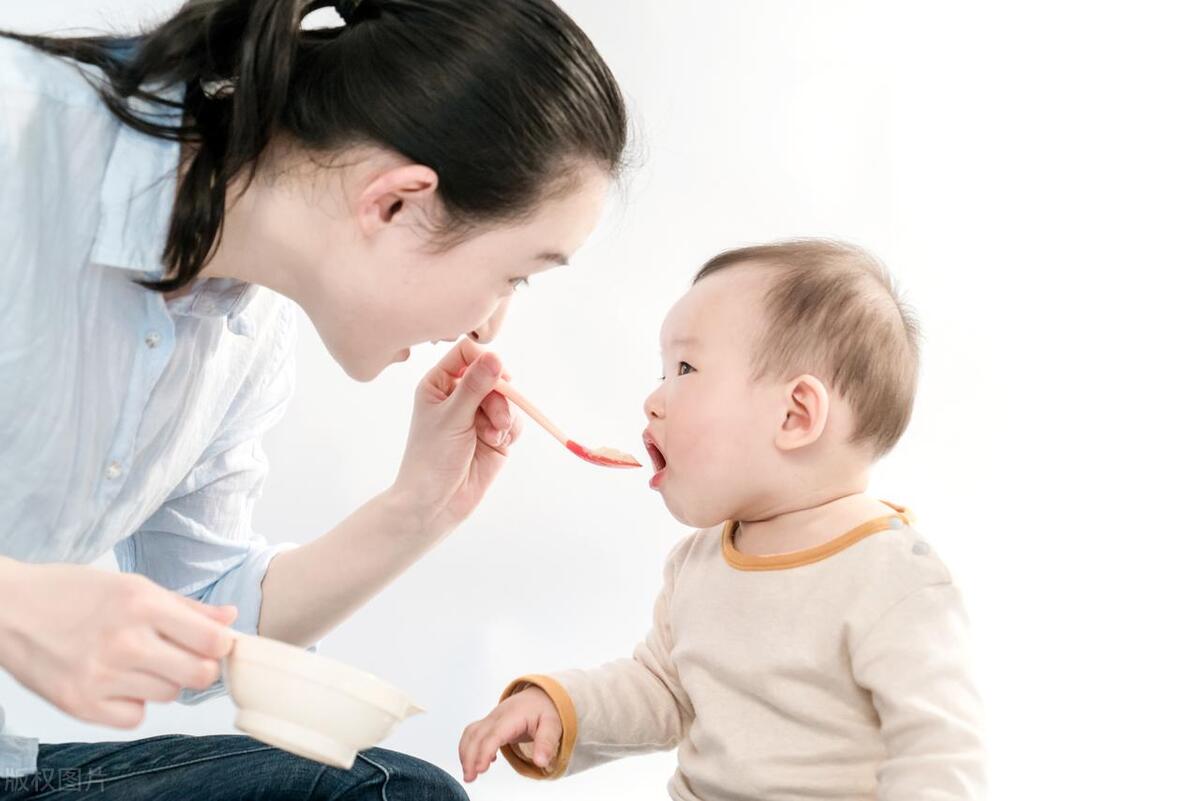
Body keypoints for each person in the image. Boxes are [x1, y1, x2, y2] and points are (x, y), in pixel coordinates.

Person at [0, 0, 627, 797]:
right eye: (514, 274)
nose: (490, 322)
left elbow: (199, 611)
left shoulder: (246, 338)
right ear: (396, 203)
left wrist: (419, 507)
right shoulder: (18, 135)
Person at [459, 240, 986, 800]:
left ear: (795, 414)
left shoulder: (892, 576)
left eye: (684, 369)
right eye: (662, 372)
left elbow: (938, 754)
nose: (652, 400)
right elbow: (662, 689)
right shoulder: (701, 561)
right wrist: (560, 708)